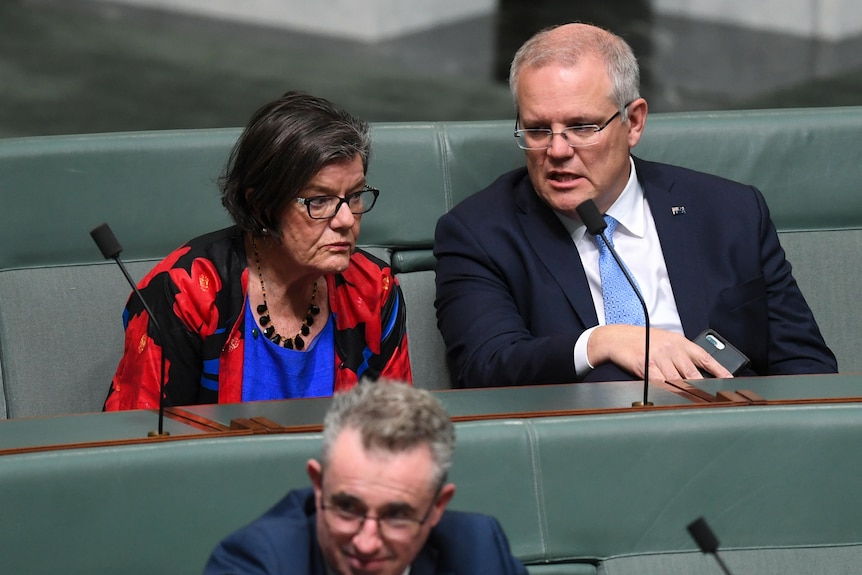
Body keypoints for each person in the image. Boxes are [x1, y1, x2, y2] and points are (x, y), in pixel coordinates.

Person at [433, 23, 837, 388]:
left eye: (581, 127)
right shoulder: (478, 233)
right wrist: (602, 341)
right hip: (586, 451)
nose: (556, 150)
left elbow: (807, 365)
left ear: (635, 122)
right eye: (538, 130)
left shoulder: (730, 211)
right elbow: (484, 365)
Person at [106, 91, 411, 410]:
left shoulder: (374, 287)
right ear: (262, 205)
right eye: (319, 200)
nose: (347, 219)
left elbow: (396, 437)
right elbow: (141, 444)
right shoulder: (187, 293)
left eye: (356, 195)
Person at [203, 381, 528, 575]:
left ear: (437, 507)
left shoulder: (480, 550)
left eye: (397, 516)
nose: (366, 543)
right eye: (347, 508)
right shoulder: (256, 562)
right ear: (318, 486)